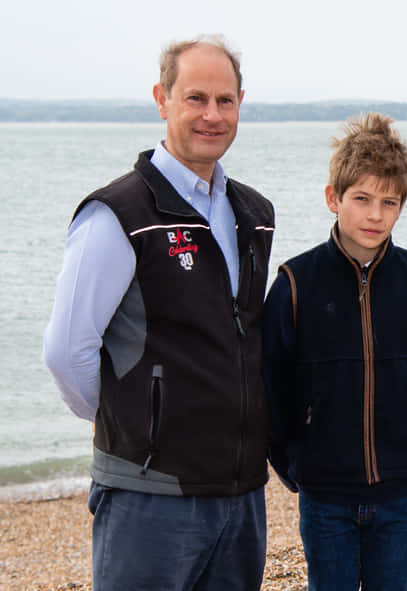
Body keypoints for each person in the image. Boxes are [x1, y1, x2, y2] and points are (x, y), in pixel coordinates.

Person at [42, 35, 275, 590]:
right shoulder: (118, 214)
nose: (211, 115)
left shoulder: (255, 214)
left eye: (225, 100)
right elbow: (66, 352)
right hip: (150, 495)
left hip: (239, 493)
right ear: (162, 98)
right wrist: (131, 424)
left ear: (241, 101)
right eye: (195, 98)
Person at [263, 113, 407, 591]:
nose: (375, 215)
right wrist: (295, 467)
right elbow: (271, 387)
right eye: (362, 199)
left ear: (401, 207)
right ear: (333, 198)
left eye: (388, 202)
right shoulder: (295, 283)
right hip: (324, 495)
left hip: (401, 493)